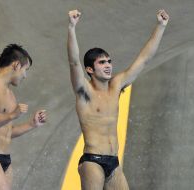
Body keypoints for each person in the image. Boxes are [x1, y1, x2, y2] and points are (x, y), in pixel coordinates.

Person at [67, 9, 169, 190]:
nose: (108, 66)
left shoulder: (116, 86)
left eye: (109, 61)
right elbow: (74, 62)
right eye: (102, 62)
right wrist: (71, 28)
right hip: (92, 160)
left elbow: (144, 59)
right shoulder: (84, 91)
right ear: (90, 69)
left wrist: (161, 27)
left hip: (113, 162)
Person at [0, 44, 47, 190]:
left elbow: (6, 131)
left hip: (5, 160)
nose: (25, 75)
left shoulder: (10, 95)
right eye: (25, 70)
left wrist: (32, 124)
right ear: (16, 65)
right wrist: (12, 115)